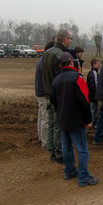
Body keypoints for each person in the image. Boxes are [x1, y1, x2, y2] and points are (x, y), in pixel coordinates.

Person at [50, 52, 98, 187]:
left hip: (62, 120)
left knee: (66, 148)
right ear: (71, 63)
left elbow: (53, 101)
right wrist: (88, 120)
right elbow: (84, 100)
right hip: (76, 120)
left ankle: (69, 171)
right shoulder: (77, 78)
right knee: (82, 150)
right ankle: (83, 177)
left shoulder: (55, 80)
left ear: (60, 65)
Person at [41, 30, 72, 163]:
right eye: (70, 39)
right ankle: (59, 154)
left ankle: (52, 150)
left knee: (52, 124)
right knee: (59, 125)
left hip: (47, 93)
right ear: (65, 40)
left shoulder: (46, 53)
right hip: (58, 95)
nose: (71, 41)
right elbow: (63, 77)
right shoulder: (61, 55)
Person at [35, 53, 48, 149]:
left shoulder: (41, 60)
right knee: (45, 118)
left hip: (39, 92)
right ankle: (46, 142)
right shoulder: (44, 62)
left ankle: (41, 137)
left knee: (41, 116)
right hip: (43, 93)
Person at [86, 58, 101, 128]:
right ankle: (92, 123)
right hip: (93, 95)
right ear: (94, 65)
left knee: (94, 109)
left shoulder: (93, 72)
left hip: (92, 95)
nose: (99, 65)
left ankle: (93, 122)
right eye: (98, 64)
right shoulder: (93, 73)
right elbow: (94, 85)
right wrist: (97, 94)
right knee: (93, 110)